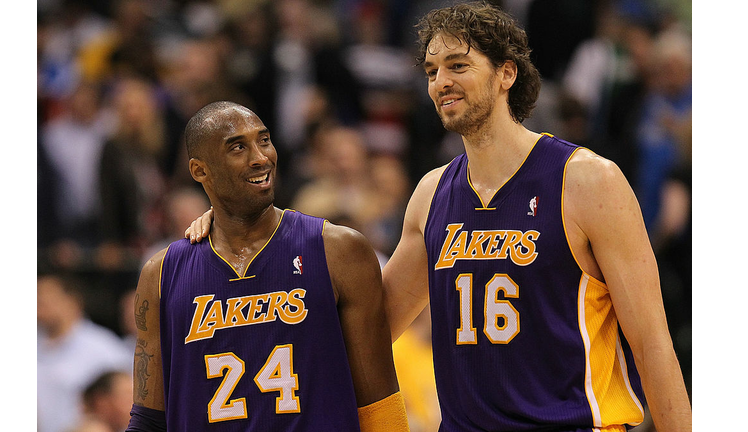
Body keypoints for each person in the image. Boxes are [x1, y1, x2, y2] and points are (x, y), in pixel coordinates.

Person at [185, 3, 692, 431]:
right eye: (431, 71)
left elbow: (651, 344)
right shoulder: (432, 195)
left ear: (505, 74)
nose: (440, 82)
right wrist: (238, 224)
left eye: (458, 66)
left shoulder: (587, 181)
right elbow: (369, 327)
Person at [126, 101, 409, 431]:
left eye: (264, 140)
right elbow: (148, 420)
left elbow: (380, 405)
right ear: (200, 170)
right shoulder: (160, 275)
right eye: (237, 147)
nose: (261, 157)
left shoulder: (339, 251)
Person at [38, 273, 133, 432]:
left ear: (72, 301)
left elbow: (128, 404)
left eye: (45, 300)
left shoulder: (104, 348)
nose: (38, 307)